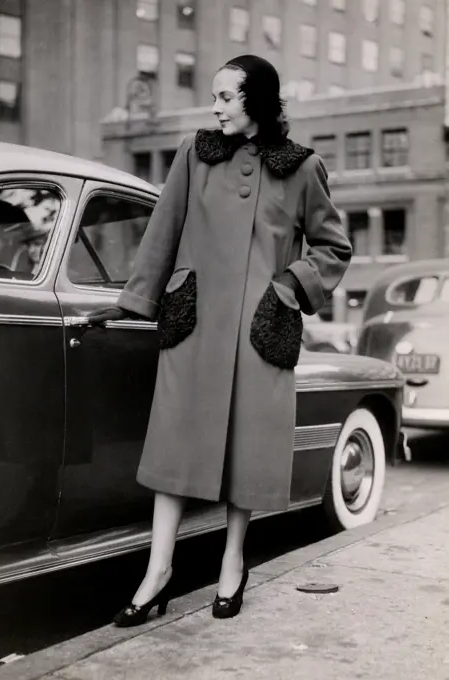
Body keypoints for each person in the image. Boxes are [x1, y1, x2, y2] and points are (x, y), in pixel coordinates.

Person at [87, 55, 353, 625]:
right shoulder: (194, 153)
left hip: (261, 331)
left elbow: (333, 249)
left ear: (256, 100)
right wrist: (133, 302)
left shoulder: (302, 168)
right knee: (173, 450)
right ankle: (158, 573)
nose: (215, 107)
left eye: (226, 97)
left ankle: (233, 563)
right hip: (196, 325)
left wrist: (288, 288)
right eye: (214, 97)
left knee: (248, 454)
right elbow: (162, 233)